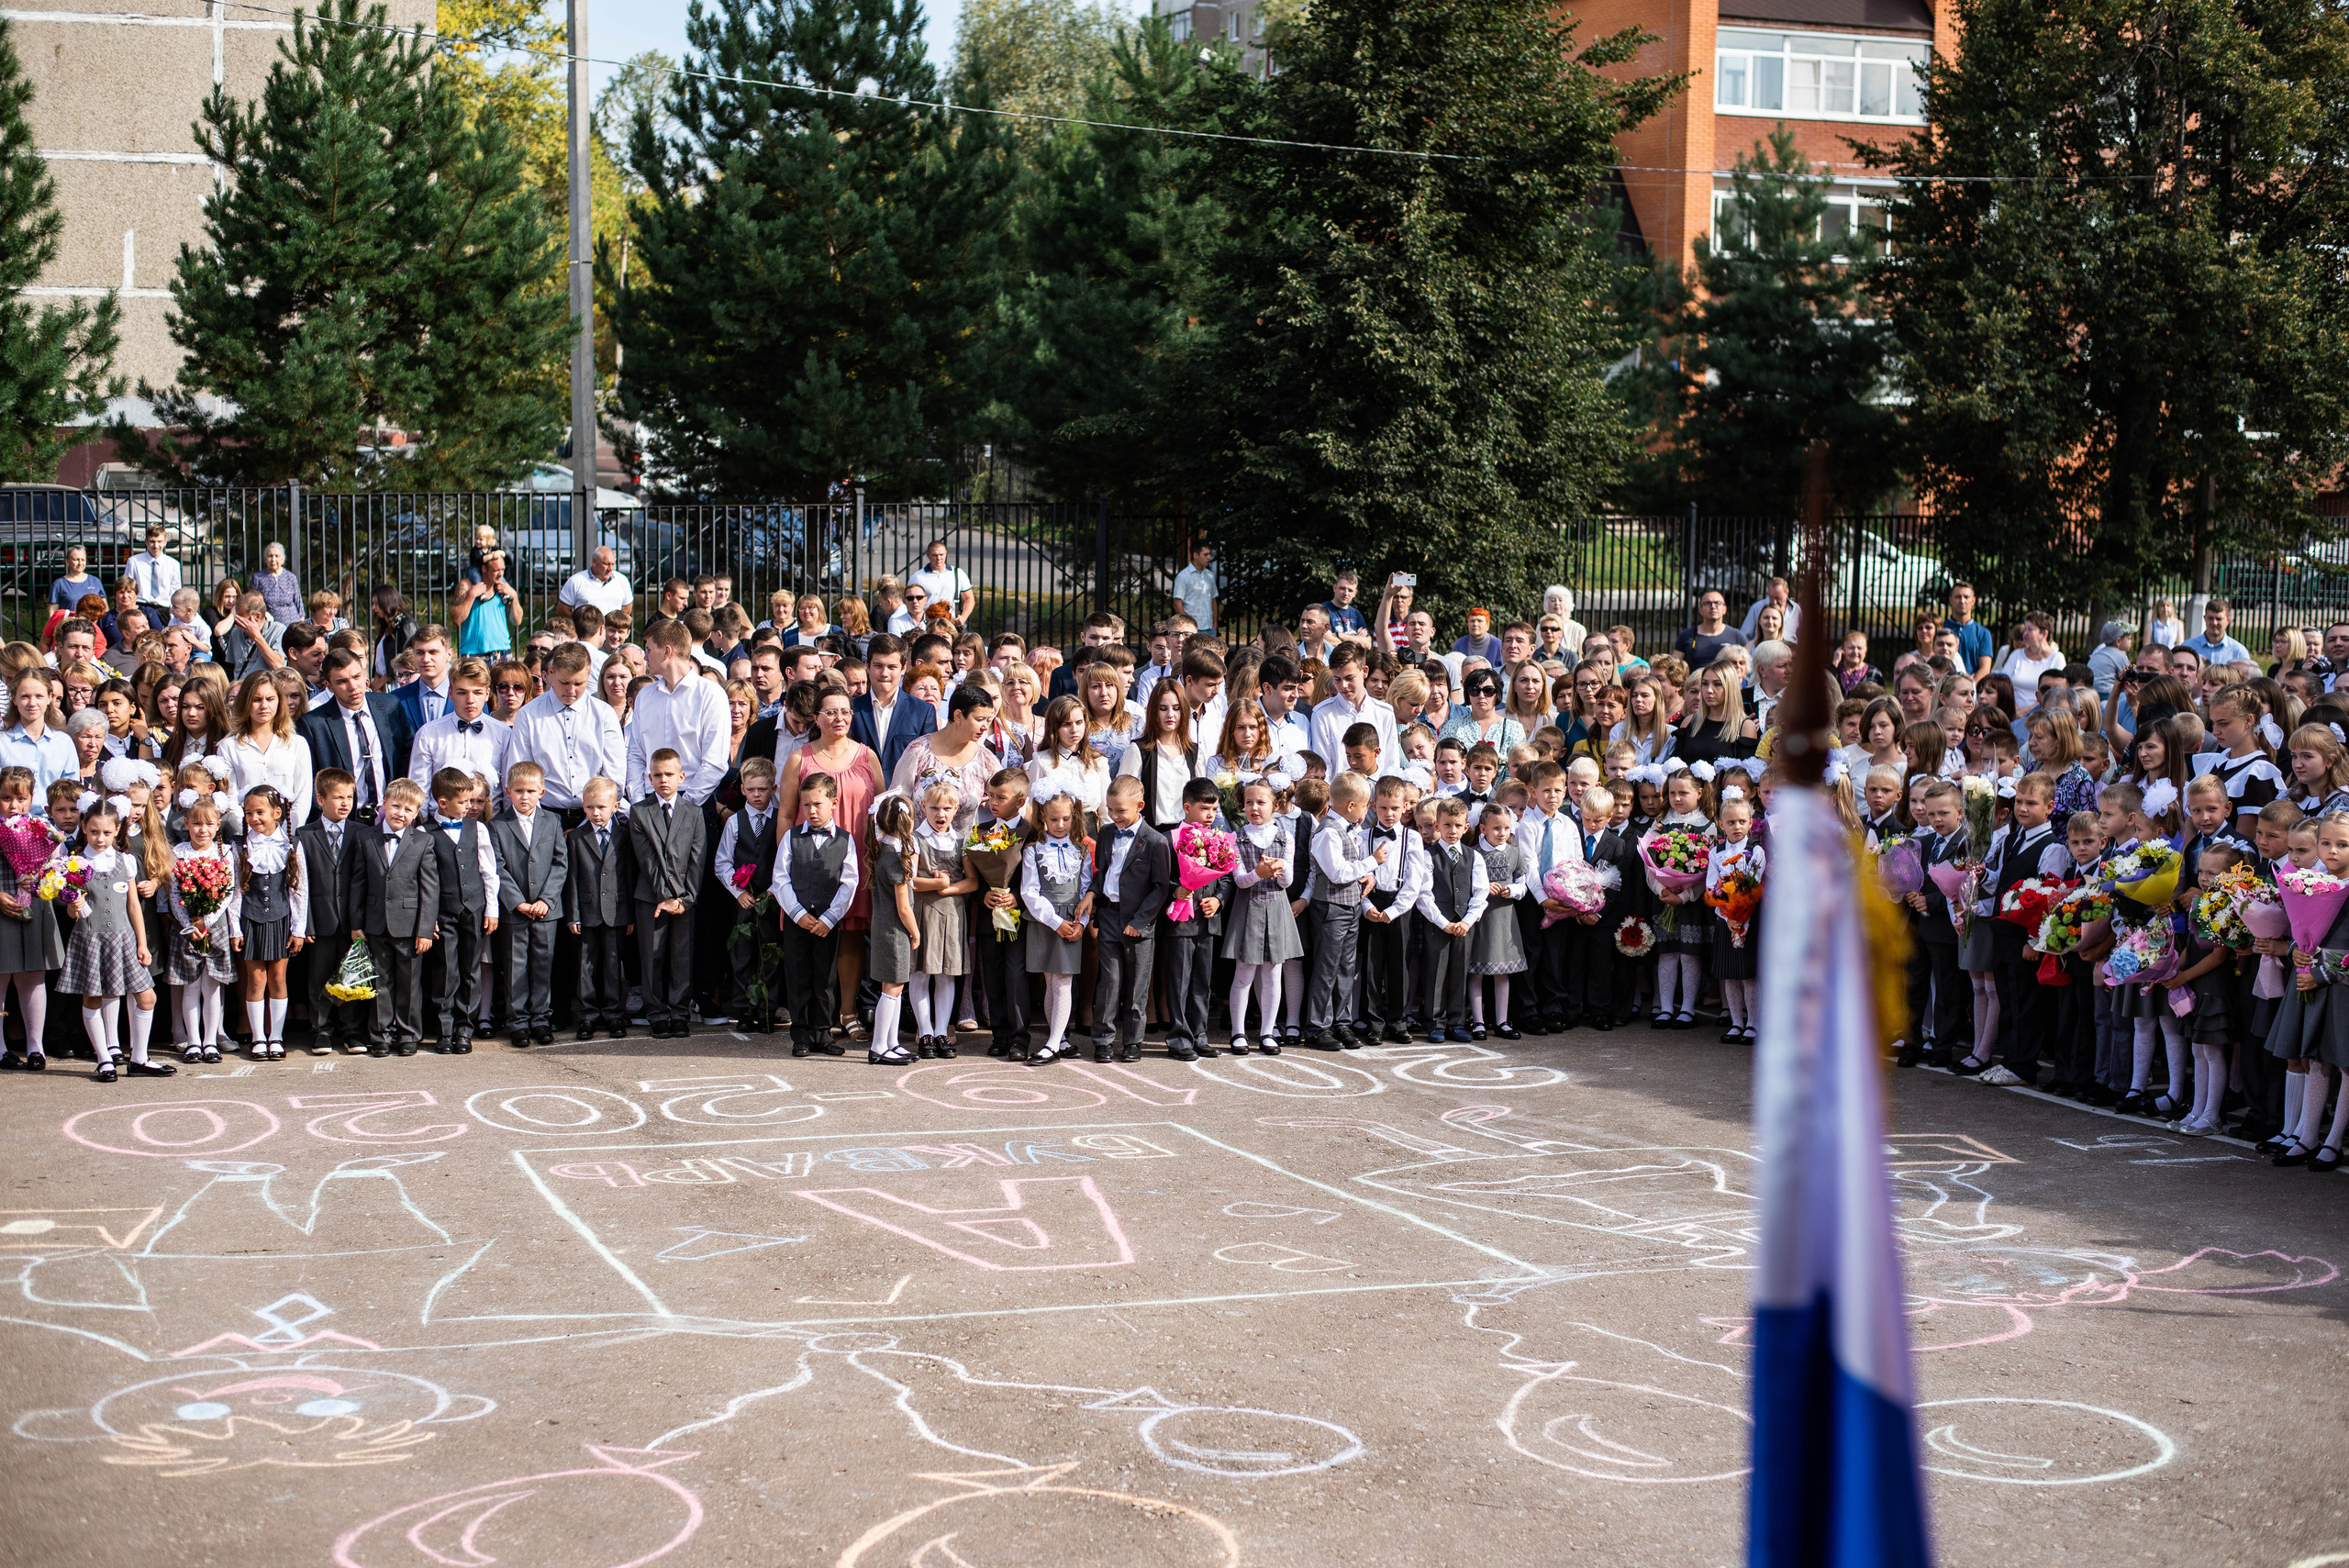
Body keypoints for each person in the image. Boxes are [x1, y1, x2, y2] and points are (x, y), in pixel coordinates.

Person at [351, 776, 440, 1058]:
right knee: (381, 981)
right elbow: (358, 883)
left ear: (416, 813)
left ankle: (408, 1033)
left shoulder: (423, 841)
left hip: (410, 925)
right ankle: (380, 1034)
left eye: (408, 809)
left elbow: (429, 889)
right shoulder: (366, 838)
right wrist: (356, 923)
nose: (400, 813)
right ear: (384, 805)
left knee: (410, 983)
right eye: (395, 806)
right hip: (376, 923)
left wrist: (425, 930)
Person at [1089, 775, 1171, 1062]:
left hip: (1138, 923)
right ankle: (1102, 1039)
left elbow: (1161, 888)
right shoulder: (1107, 833)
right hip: (1110, 915)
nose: (1114, 816)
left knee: (1137, 984)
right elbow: (1103, 872)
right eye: (1110, 809)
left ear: (1140, 806)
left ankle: (1134, 1041)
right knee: (1109, 981)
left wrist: (1140, 922)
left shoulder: (1156, 842)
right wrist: (1091, 894)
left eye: (1121, 811)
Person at [421, 767, 499, 1055]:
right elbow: (423, 880)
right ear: (443, 803)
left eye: (472, 802)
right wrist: (427, 919)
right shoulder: (424, 832)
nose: (470, 807)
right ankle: (444, 1030)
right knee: (445, 970)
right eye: (464, 802)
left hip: (474, 909)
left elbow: (488, 871)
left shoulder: (477, 829)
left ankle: (465, 1030)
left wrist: (492, 909)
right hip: (443, 913)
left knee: (471, 970)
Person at [491, 760, 566, 1049]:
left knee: (543, 966)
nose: (525, 797)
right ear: (508, 791)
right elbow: (498, 867)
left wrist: (546, 899)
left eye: (531, 791)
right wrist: (518, 902)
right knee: (515, 967)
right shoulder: (498, 825)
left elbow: (560, 862)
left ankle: (541, 1020)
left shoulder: (552, 822)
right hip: (516, 911)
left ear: (542, 792)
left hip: (546, 911)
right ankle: (518, 1022)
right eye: (519, 791)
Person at [629, 748, 703, 1039]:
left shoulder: (693, 813)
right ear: (649, 777)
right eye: (657, 775)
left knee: (681, 957)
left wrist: (684, 899)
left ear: (681, 776)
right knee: (652, 956)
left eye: (669, 774)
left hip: (685, 900)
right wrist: (665, 896)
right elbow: (647, 860)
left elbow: (698, 861)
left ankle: (680, 1013)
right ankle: (657, 1014)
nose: (663, 780)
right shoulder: (640, 812)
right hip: (651, 899)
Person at [295, 768, 367, 1055]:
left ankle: (352, 1031)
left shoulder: (362, 833)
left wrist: (359, 921)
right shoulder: (305, 835)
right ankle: (322, 1031)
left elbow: (364, 881)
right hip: (321, 920)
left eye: (350, 797)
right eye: (338, 797)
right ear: (320, 799)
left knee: (350, 976)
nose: (345, 803)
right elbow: (301, 884)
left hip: (352, 921)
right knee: (320, 978)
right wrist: (306, 923)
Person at [1020, 786, 1093, 1063]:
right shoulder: (1033, 850)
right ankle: (1059, 1038)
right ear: (1042, 818)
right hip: (1046, 920)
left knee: (1063, 980)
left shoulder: (1081, 850)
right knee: (1050, 980)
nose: (1060, 825)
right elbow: (1030, 892)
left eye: (1066, 818)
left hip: (1072, 922)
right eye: (1053, 819)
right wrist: (1054, 921)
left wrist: (1081, 923)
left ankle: (1051, 1044)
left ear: (1074, 816)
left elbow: (1085, 891)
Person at [627, 621, 732, 805]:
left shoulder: (710, 695)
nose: (645, 657)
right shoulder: (644, 696)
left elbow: (715, 763)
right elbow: (635, 754)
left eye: (649, 650)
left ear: (666, 651)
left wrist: (684, 807)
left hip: (695, 800)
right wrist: (638, 802)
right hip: (650, 799)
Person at [563, 776, 633, 1041]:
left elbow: (627, 875)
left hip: (617, 911)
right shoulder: (576, 838)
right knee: (586, 964)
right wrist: (573, 914)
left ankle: (615, 1013)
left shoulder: (624, 836)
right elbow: (572, 879)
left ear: (615, 806)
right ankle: (587, 1016)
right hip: (586, 911)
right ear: (583, 806)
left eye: (602, 807)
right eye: (590, 807)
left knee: (615, 963)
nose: (596, 812)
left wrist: (628, 914)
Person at [406, 658, 510, 806]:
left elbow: (508, 790)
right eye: (462, 693)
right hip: (440, 822)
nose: (470, 700)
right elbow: (419, 790)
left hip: (490, 822)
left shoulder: (503, 733)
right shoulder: (428, 734)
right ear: (450, 693)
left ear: (487, 694)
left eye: (477, 693)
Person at [454, 550, 520, 659]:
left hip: (501, 651)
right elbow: (456, 619)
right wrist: (471, 595)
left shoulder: (503, 587)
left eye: (502, 569)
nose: (501, 574)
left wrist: (514, 596)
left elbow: (517, 621)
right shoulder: (466, 586)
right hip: (473, 653)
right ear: (484, 569)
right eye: (496, 570)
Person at [1674, 591, 1746, 672]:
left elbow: (1746, 665)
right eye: (1707, 603)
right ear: (1700, 610)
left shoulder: (1736, 635)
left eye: (1717, 603)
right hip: (1694, 682)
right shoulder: (1687, 635)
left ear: (1724, 609)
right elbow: (1675, 668)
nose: (1713, 606)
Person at [908, 539, 974, 626]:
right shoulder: (918, 577)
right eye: (934, 555)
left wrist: (963, 617)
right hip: (927, 623)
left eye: (941, 555)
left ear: (946, 554)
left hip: (951, 623)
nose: (938, 558)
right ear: (928, 555)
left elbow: (969, 599)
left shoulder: (958, 573)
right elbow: (908, 600)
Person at [127, 525, 181, 628]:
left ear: (165, 542)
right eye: (152, 541)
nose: (156, 546)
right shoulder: (134, 562)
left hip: (163, 609)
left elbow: (175, 592)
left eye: (159, 541)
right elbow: (128, 588)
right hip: (141, 606)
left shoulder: (173, 564)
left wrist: (174, 615)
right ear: (146, 541)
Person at [2180, 596, 2253, 668]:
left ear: (2228, 621)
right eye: (2210, 618)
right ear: (2205, 618)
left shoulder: (2238, 652)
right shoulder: (2189, 646)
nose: (2214, 623)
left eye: (2219, 619)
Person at [561, 546, 633, 617]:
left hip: (612, 628)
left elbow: (627, 608)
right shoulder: (576, 580)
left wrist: (615, 624)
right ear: (594, 562)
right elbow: (562, 609)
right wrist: (580, 625)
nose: (610, 568)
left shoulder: (622, 580)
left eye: (613, 564)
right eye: (606, 564)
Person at [1171, 540, 1220, 636]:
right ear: (1195, 555)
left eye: (1209, 554)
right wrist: (1187, 626)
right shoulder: (1183, 576)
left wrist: (1215, 625)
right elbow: (1177, 604)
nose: (1209, 557)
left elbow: (1213, 600)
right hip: (1192, 629)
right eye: (1205, 555)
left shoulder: (1210, 575)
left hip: (1210, 628)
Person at [250, 542, 302, 626]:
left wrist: (301, 623)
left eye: (277, 556)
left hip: (293, 625)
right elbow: (252, 602)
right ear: (265, 559)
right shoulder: (258, 578)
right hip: (270, 626)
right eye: (270, 556)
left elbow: (299, 604)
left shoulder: (291, 577)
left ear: (282, 559)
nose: (273, 559)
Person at [1737, 577, 1800, 644]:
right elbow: (1743, 636)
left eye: (1778, 598)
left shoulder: (1796, 610)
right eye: (1771, 597)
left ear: (1787, 593)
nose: (1774, 602)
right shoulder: (1757, 608)